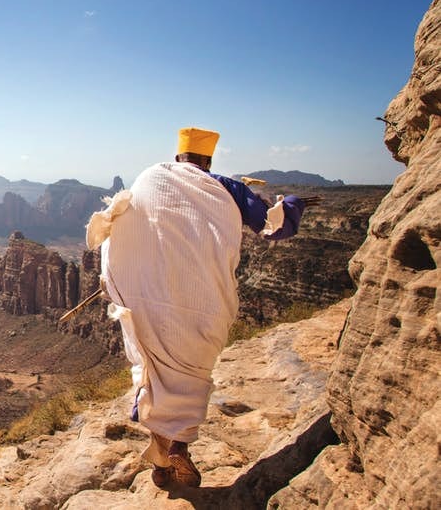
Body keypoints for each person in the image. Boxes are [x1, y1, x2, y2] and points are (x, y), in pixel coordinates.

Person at [85, 127, 319, 488]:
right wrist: (292, 203)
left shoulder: (151, 176)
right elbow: (274, 227)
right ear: (207, 160)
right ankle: (177, 446)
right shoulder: (228, 187)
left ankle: (162, 464)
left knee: (153, 371)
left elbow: (123, 223)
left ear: (179, 157)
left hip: (147, 298)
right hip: (201, 303)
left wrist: (119, 279)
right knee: (190, 377)